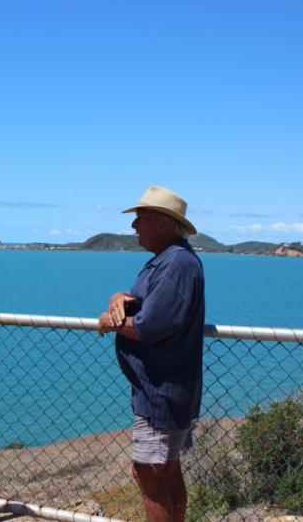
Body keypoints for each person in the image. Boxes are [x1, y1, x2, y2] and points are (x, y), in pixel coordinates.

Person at [98, 186, 205, 522]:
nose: (134, 227)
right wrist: (120, 297)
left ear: (163, 223)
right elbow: (144, 302)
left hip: (162, 390)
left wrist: (109, 323)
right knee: (167, 469)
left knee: (149, 473)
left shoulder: (176, 264)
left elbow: (151, 326)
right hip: (162, 389)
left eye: (140, 219)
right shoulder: (167, 262)